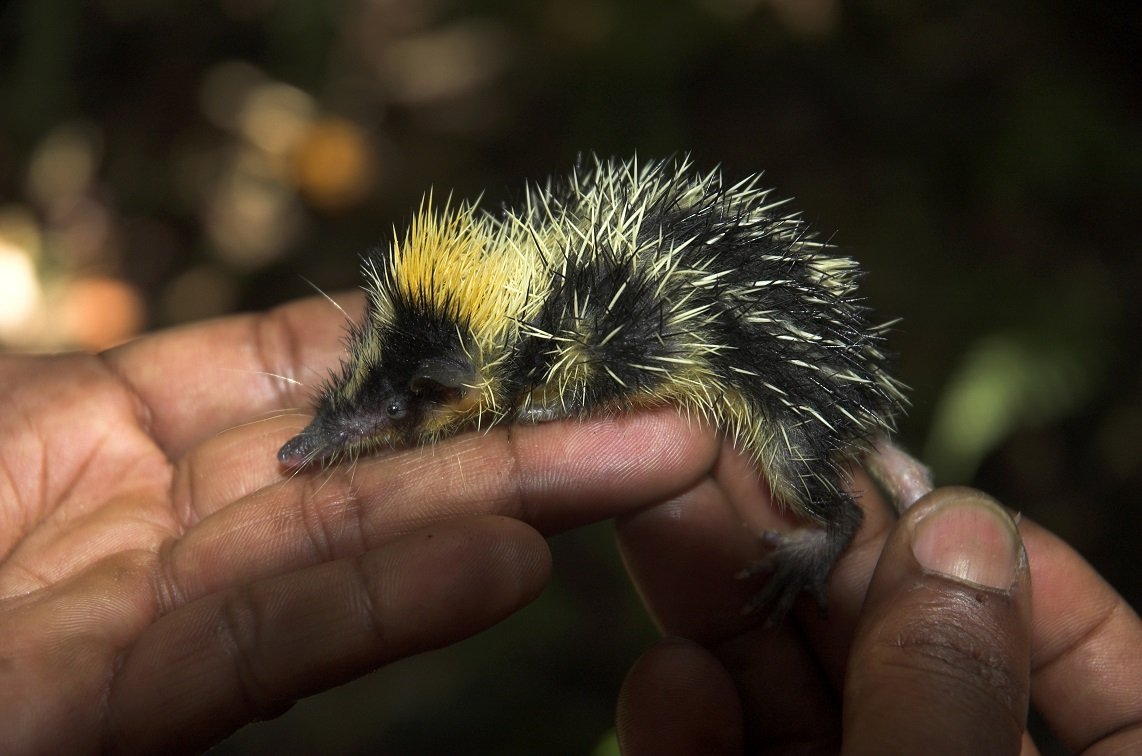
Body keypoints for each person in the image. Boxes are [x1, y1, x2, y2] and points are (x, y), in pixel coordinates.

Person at [0, 294, 1138, 755]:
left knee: (802, 471)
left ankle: (834, 527)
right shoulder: (502, 348)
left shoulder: (578, 347)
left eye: (396, 403)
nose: (319, 447)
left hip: (782, 377)